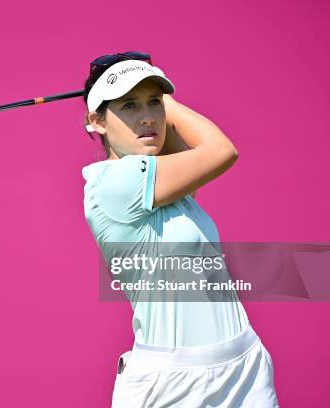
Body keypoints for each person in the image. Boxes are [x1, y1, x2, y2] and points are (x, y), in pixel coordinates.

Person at [81, 52, 279, 407]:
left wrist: (145, 88)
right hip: (172, 385)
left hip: (244, 366)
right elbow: (221, 151)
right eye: (129, 106)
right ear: (96, 121)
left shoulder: (163, 179)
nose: (147, 118)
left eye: (154, 103)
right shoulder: (114, 183)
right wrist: (165, 101)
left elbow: (182, 149)